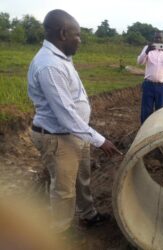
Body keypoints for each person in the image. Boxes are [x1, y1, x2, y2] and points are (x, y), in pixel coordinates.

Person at [27, 9, 119, 236]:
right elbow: (65, 114)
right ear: (62, 33)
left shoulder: (62, 58)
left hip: (74, 133)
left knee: (82, 177)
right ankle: (60, 232)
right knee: (64, 189)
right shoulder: (49, 65)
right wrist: (100, 140)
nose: (80, 40)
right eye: (77, 35)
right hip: (58, 136)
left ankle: (88, 215)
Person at [137, 31, 163, 124]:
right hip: (148, 84)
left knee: (161, 110)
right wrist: (147, 51)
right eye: (156, 38)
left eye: (160, 38)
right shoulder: (147, 48)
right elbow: (139, 62)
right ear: (153, 38)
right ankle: (145, 131)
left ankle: (158, 130)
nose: (158, 39)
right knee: (146, 110)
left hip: (161, 86)